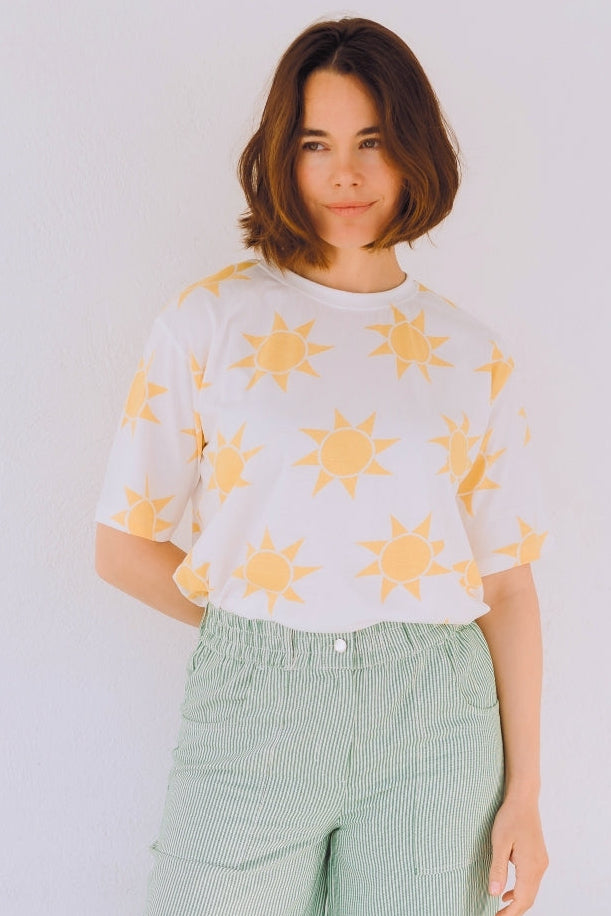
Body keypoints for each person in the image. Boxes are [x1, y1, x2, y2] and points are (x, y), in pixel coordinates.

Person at [94, 16, 550, 916]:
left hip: (435, 725)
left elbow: (506, 584)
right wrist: (265, 633)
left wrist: (526, 795)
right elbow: (122, 548)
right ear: (281, 155)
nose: (346, 174)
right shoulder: (208, 323)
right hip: (252, 713)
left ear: (414, 152)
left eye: (372, 142)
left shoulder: (469, 353)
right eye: (316, 144)